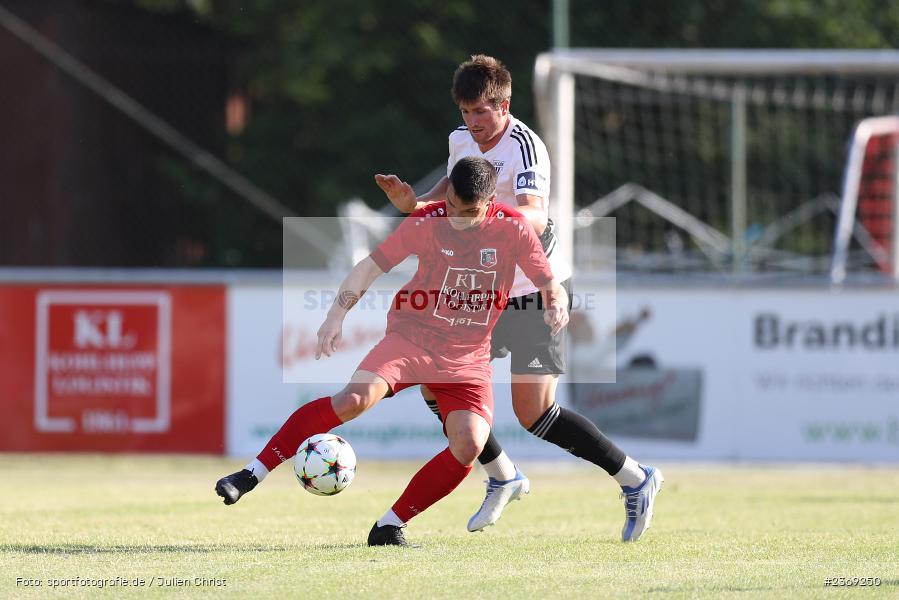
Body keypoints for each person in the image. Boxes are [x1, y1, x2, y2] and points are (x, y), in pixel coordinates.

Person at [376, 54, 663, 542]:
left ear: (504, 105)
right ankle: (503, 474)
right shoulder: (460, 140)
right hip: (482, 291)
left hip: (533, 289)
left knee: (534, 413)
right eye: (465, 113)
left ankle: (635, 478)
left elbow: (535, 217)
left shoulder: (527, 148)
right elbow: (453, 187)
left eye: (481, 113)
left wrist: (485, 219)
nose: (472, 123)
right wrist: (418, 204)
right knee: (434, 381)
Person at [215, 157, 569, 547]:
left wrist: (555, 300)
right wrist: (336, 315)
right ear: (447, 188)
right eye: (450, 203)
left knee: (469, 444)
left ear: (487, 203)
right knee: (354, 399)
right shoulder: (427, 221)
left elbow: (547, 279)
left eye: (466, 212)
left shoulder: (513, 228)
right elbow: (369, 267)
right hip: (412, 339)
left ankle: (388, 527)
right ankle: (250, 474)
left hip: (467, 357)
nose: (453, 215)